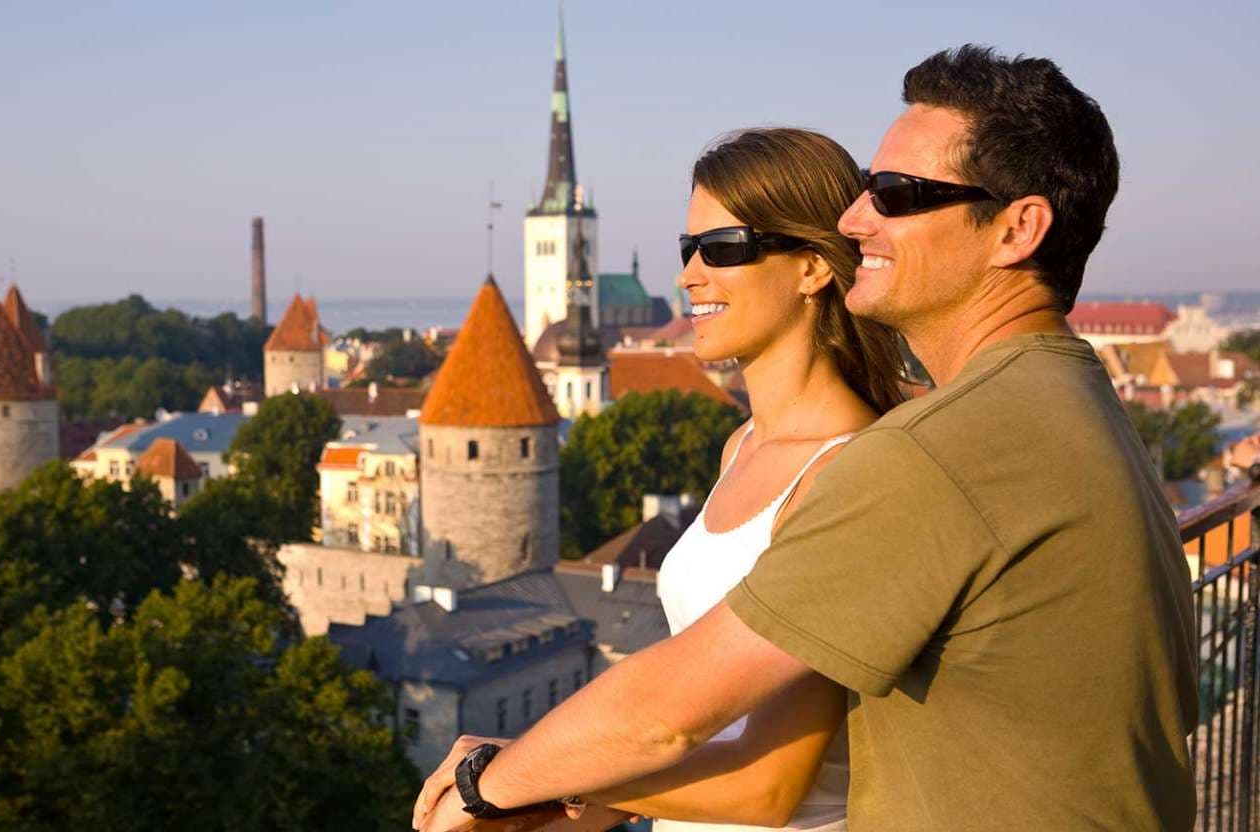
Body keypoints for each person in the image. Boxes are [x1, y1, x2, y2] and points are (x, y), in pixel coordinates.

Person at [415, 44, 1198, 832]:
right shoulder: (1066, 400)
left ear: (1017, 228)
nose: (856, 222)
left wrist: (493, 780)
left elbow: (674, 719)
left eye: (895, 194)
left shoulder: (941, 450)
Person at [413, 127, 908, 831]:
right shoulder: (741, 444)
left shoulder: (848, 469)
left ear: (812, 266)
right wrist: (542, 817)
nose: (688, 276)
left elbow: (764, 787)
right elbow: (699, 742)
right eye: (688, 249)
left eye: (724, 248)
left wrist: (524, 779)